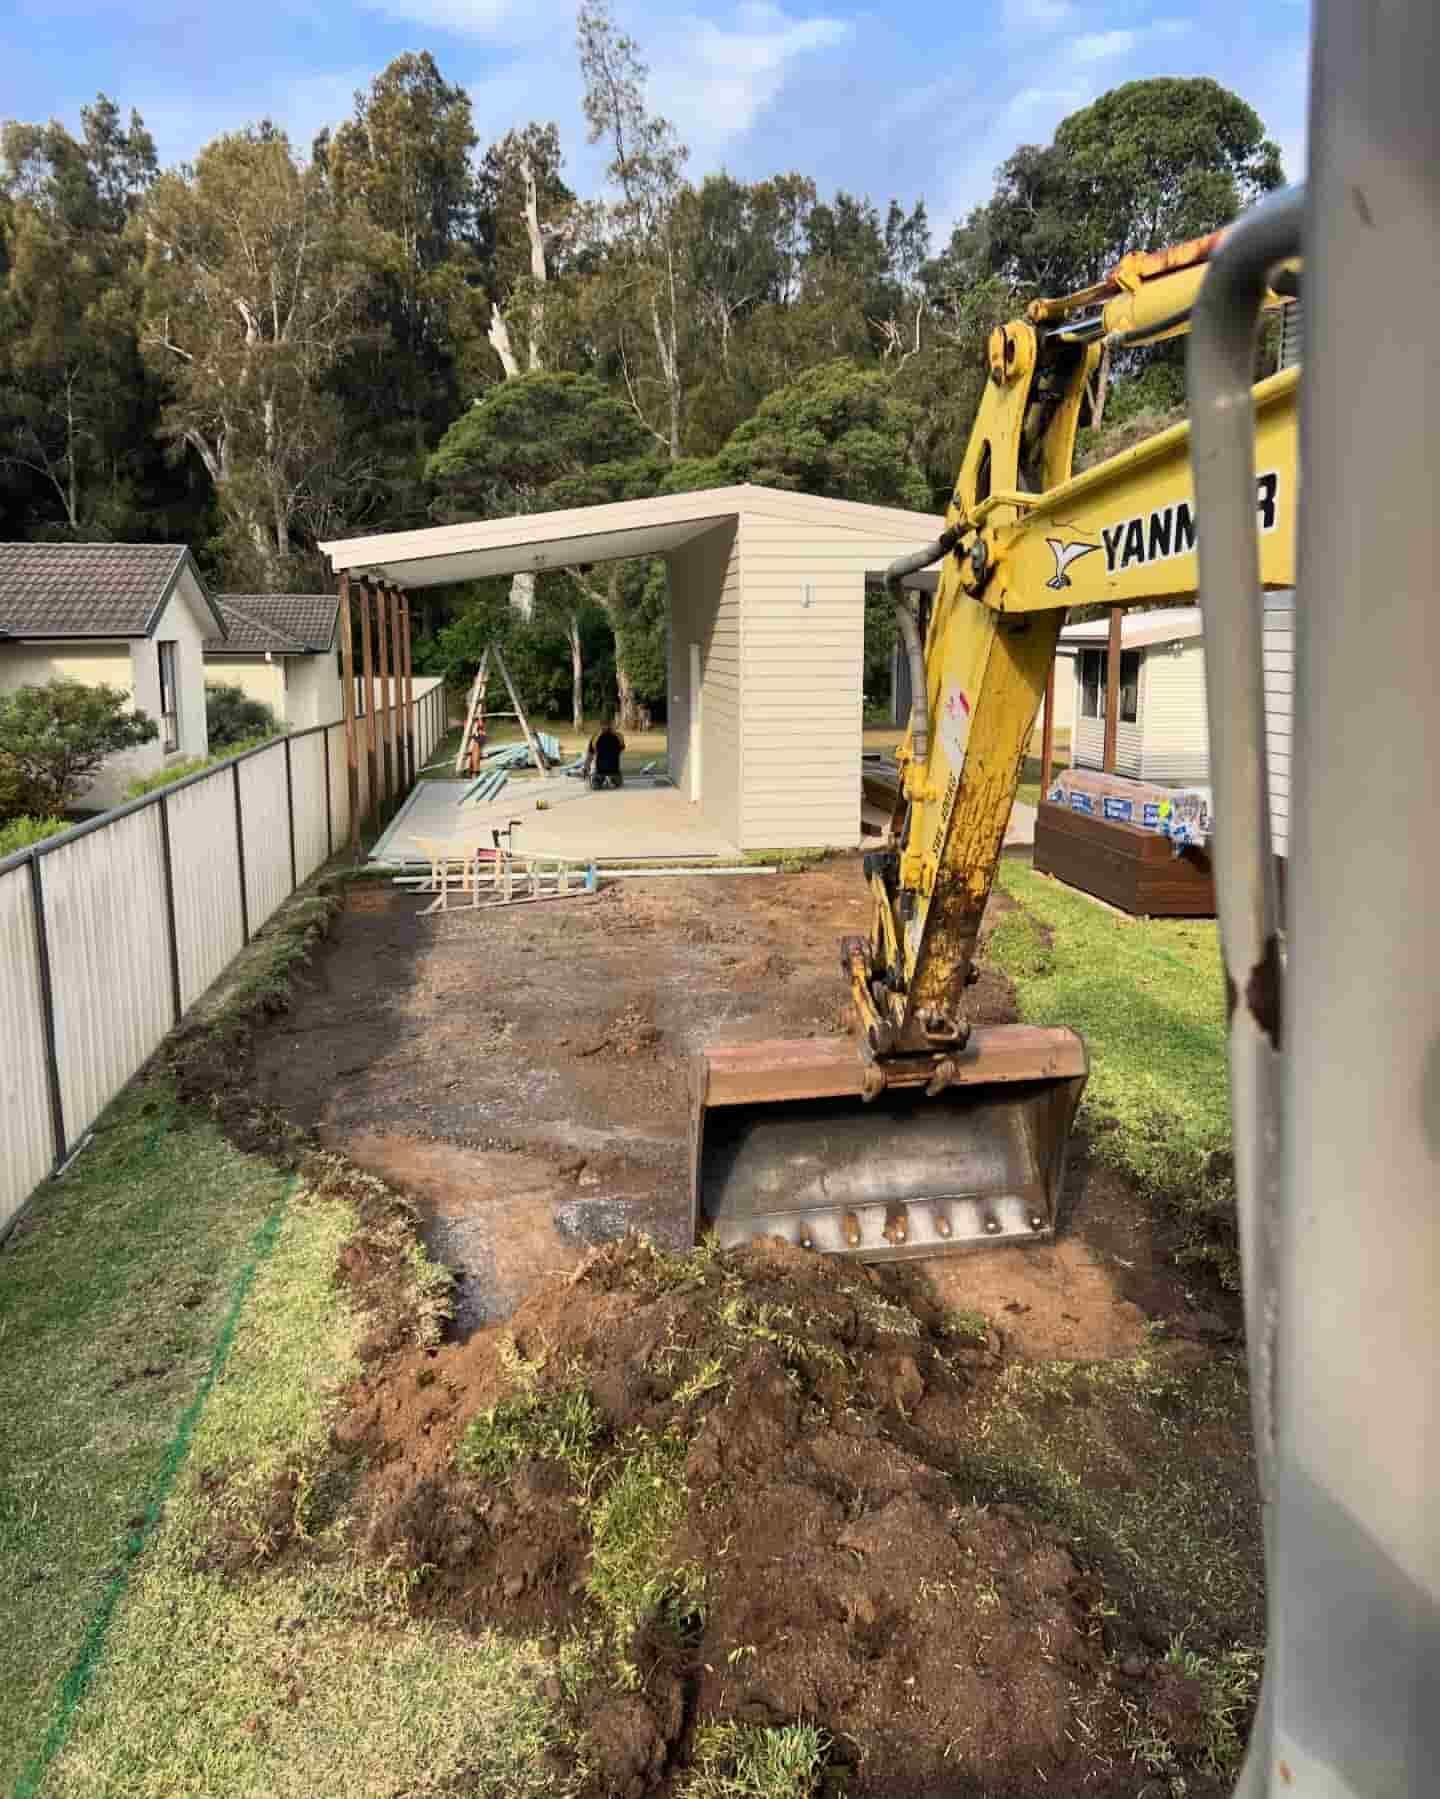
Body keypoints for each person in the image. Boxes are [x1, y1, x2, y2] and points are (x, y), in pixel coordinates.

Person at [585, 719, 626, 790]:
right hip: (614, 771)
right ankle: (611, 780)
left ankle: (602, 780)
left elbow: (590, 755)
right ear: (611, 725)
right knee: (617, 783)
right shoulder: (618, 736)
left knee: (594, 786)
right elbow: (621, 749)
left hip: (600, 772)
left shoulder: (596, 736)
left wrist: (586, 769)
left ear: (601, 726)